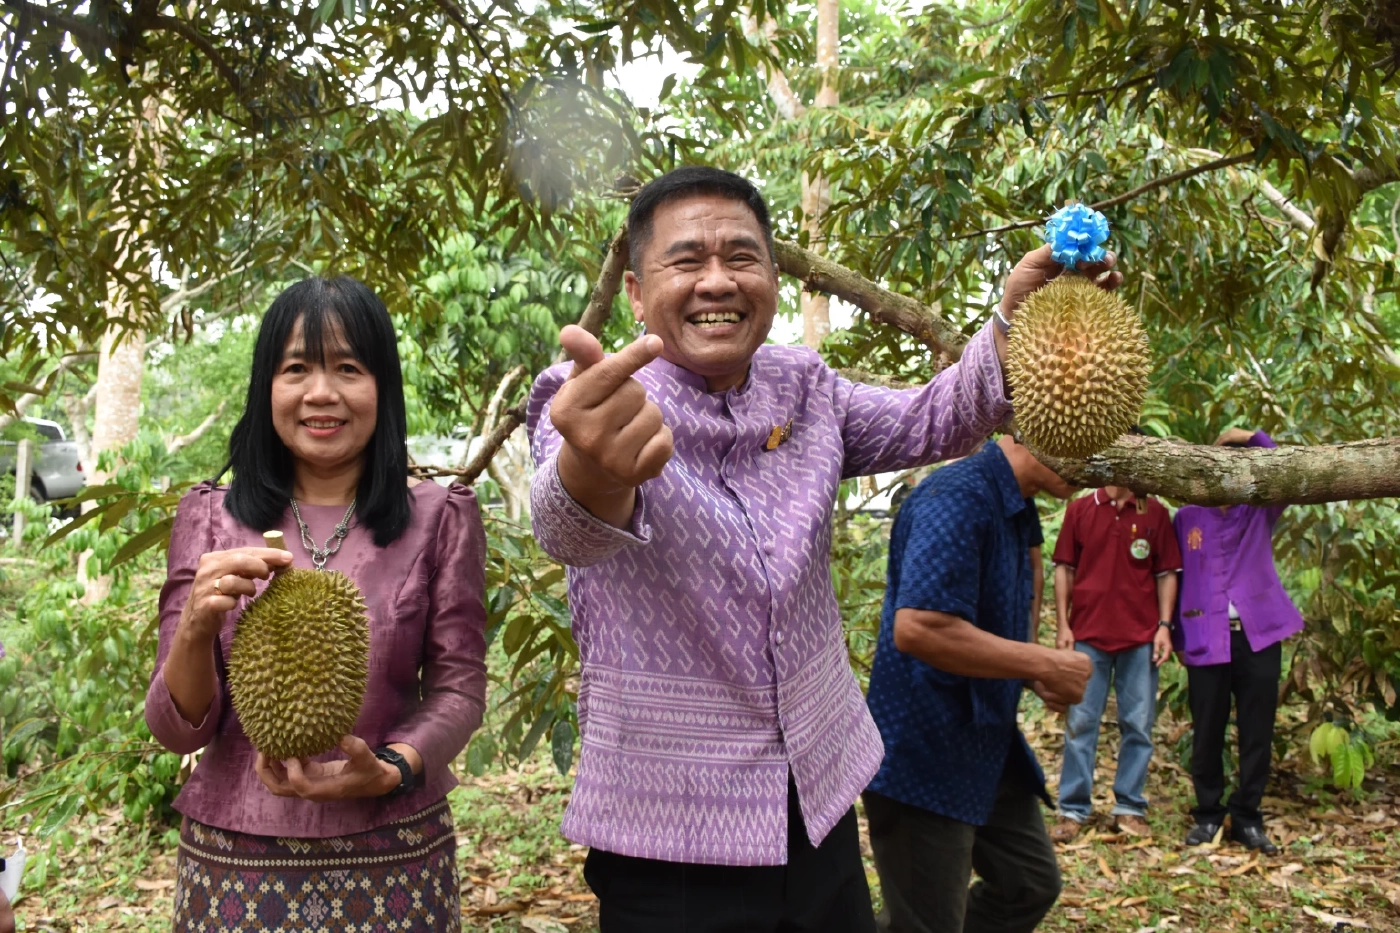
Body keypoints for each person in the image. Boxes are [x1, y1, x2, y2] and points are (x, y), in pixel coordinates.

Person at [525, 165, 1124, 932]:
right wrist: (590, 472)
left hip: (817, 801)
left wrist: (1010, 321)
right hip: (669, 839)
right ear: (638, 293)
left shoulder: (803, 387)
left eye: (742, 256)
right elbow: (565, 522)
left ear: (773, 277)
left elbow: (934, 421)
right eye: (686, 260)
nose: (717, 280)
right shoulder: (591, 401)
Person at [145, 277, 488, 933]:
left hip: (395, 856)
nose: (322, 392)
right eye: (297, 368)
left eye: (349, 368)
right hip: (234, 864)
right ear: (266, 387)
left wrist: (394, 765)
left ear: (381, 388)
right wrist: (194, 626)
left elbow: (460, 686)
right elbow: (173, 729)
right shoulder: (210, 519)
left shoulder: (439, 517)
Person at [863, 436, 1089, 933]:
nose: (1095, 468)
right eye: (1086, 449)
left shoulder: (1018, 507)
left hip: (986, 743)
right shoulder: (959, 495)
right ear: (1036, 429)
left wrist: (1032, 671)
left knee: (1028, 884)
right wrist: (1043, 663)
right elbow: (920, 626)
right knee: (925, 923)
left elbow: (987, 625)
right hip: (924, 751)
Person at [1173, 427, 1303, 855]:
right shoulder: (1187, 517)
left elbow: (1285, 467)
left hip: (1259, 635)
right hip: (1204, 635)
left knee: (1257, 731)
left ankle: (1247, 817)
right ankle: (1208, 814)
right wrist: (1173, 632)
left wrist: (1250, 437)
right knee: (1207, 728)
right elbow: (1174, 579)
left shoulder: (1258, 509)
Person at [1050, 482, 1181, 841]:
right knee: (1081, 723)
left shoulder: (1154, 511)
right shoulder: (1080, 509)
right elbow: (1065, 568)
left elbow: (1166, 573)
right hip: (1087, 634)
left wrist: (1164, 627)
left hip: (1139, 636)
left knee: (1138, 724)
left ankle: (1129, 806)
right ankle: (1073, 809)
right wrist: (1064, 624)